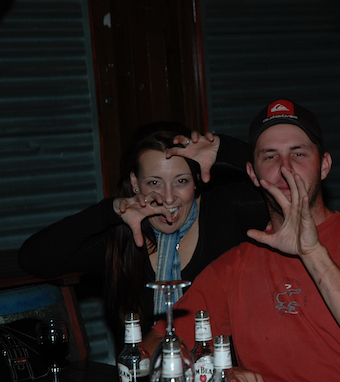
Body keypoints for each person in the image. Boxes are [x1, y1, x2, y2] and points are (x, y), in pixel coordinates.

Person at [145, 99, 340, 382]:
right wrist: (216, 371)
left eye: (299, 154)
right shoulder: (233, 268)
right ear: (252, 173)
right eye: (270, 156)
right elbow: (151, 347)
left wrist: (312, 252)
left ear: (324, 166)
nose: (285, 168)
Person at [19, 121, 269, 339]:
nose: (168, 198)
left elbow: (285, 190)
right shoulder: (122, 234)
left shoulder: (226, 210)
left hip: (225, 374)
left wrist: (224, 148)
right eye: (154, 183)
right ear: (135, 183)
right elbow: (35, 258)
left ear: (196, 180)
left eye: (181, 181)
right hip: (145, 376)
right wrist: (107, 212)